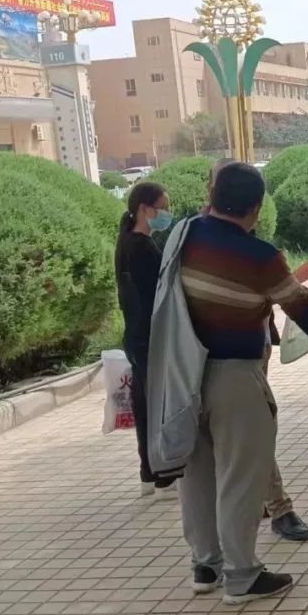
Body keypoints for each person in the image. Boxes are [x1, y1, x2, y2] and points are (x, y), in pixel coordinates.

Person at [177, 162, 308, 604]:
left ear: (211, 195)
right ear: (257, 207)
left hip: (182, 374)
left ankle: (206, 565)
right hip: (233, 377)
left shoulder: (183, 237)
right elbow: (300, 304)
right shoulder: (259, 255)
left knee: (197, 474)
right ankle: (242, 574)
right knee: (242, 476)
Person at [207, 158, 308, 542]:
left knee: (255, 430)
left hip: (249, 354)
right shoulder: (194, 238)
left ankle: (273, 506)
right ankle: (268, 511)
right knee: (238, 440)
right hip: (207, 362)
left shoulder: (247, 241)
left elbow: (281, 294)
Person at [115, 181, 182, 498]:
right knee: (158, 405)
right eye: (162, 208)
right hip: (150, 336)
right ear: (144, 209)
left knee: (145, 404)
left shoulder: (125, 242)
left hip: (136, 335)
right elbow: (159, 293)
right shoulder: (142, 247)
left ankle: (149, 473)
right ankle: (164, 477)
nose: (167, 214)